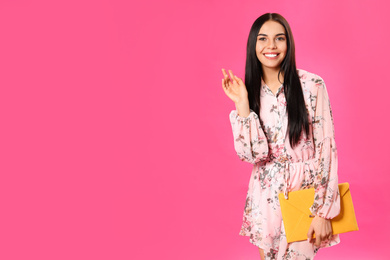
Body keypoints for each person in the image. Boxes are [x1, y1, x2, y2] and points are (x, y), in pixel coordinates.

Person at [221, 13, 340, 260]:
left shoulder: (312, 85)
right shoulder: (250, 92)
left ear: (289, 43)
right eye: (263, 38)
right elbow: (252, 155)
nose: (271, 46)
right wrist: (242, 104)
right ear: (253, 44)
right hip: (265, 196)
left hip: (304, 193)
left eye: (279, 38)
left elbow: (326, 148)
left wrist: (323, 211)